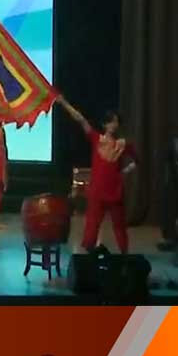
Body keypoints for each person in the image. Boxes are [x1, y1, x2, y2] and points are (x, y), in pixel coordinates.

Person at [57, 97, 137, 253]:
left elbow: (136, 160)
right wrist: (64, 103)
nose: (113, 125)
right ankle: (89, 255)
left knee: (119, 226)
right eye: (110, 122)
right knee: (92, 224)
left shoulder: (122, 144)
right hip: (97, 191)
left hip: (115, 191)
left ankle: (124, 256)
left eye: (116, 122)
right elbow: (80, 119)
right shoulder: (96, 139)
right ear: (104, 124)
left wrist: (124, 172)